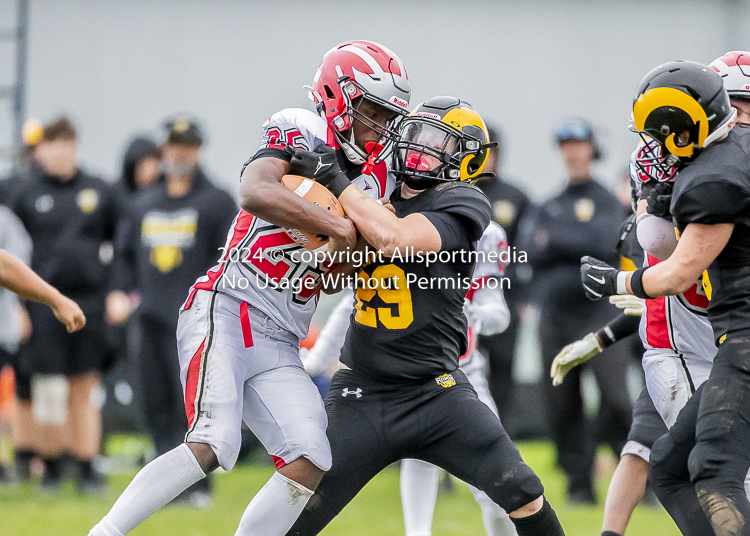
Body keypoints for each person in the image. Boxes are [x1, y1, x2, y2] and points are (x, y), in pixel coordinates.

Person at [87, 39, 410, 536]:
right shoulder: (302, 128)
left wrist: (347, 247)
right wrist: (339, 226)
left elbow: (337, 274)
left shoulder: (375, 178)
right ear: (339, 96)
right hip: (229, 305)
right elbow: (255, 190)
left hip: (281, 333)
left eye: (388, 116)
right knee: (213, 443)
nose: (381, 127)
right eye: (373, 111)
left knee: (310, 455)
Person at [286, 97, 565, 536]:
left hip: (436, 390)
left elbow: (394, 238)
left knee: (523, 492)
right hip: (365, 389)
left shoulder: (464, 202)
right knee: (301, 507)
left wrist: (337, 182)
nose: (420, 147)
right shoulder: (374, 191)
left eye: (437, 141)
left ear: (466, 158)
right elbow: (337, 279)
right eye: (416, 134)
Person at [579, 60, 748, 536]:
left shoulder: (716, 176)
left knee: (713, 472)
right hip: (706, 342)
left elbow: (677, 269)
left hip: (729, 344)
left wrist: (619, 283)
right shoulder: (721, 162)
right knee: (669, 462)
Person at [106, 118, 237, 507]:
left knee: (194, 406)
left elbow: (229, 259)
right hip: (150, 320)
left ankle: (197, 486)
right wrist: (118, 291)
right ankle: (167, 484)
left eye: (188, 146)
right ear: (164, 150)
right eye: (174, 145)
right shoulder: (143, 201)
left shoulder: (217, 201)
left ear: (198, 150)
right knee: (156, 402)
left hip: (196, 322)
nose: (180, 153)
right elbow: (124, 257)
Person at [523, 119, 632, 504]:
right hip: (555, 316)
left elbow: (604, 242)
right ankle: (578, 484)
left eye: (578, 143)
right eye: (565, 144)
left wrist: (555, 238)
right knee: (561, 402)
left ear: (591, 148)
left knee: (616, 398)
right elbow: (531, 250)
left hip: (600, 314)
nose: (572, 151)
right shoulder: (548, 202)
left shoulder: (606, 200)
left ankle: (640, 475)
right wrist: (568, 242)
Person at [11, 116, 118, 492]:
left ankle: (87, 468)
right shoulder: (24, 194)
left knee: (84, 386)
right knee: (47, 388)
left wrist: (118, 292)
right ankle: (51, 469)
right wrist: (18, 308)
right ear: (41, 151)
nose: (57, 152)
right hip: (40, 302)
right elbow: (10, 257)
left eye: (64, 143)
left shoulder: (99, 191)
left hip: (87, 300)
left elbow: (122, 245)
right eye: (50, 145)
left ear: (74, 146)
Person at [473, 123, 532, 427]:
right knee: (460, 365)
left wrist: (523, 297)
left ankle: (501, 430)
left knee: (502, 368)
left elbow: (527, 250)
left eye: (491, 151)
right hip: (464, 296)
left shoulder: (515, 196)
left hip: (504, 295)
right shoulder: (458, 193)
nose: (486, 158)